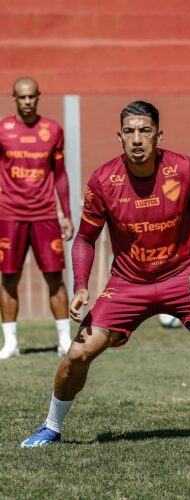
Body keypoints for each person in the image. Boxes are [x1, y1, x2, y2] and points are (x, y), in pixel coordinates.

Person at [21, 101, 190, 449]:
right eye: (129, 132)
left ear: (158, 136)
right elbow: (85, 238)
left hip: (183, 277)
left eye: (145, 131)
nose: (137, 139)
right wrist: (80, 286)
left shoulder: (183, 170)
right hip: (128, 284)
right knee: (78, 353)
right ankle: (51, 427)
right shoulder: (103, 180)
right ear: (120, 138)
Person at [0, 77, 73, 359]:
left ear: (39, 97)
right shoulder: (3, 130)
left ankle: (65, 341)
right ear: (14, 98)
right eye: (22, 97)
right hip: (10, 215)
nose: (27, 101)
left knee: (55, 277)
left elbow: (60, 174)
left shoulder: (52, 130)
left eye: (32, 96)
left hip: (45, 215)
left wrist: (66, 215)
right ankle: (10, 344)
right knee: (9, 278)